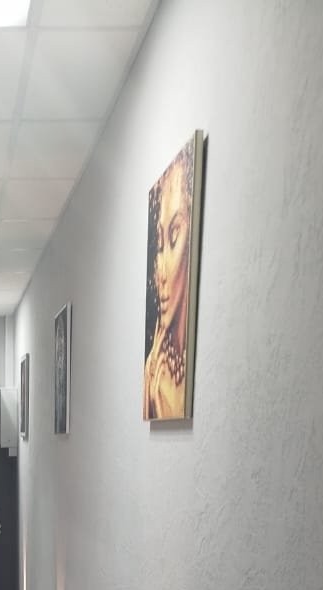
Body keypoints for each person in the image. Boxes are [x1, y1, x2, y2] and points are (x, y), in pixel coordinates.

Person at [143, 141, 194, 420]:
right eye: (159, 245)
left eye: (174, 235)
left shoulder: (159, 371)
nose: (160, 272)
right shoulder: (153, 370)